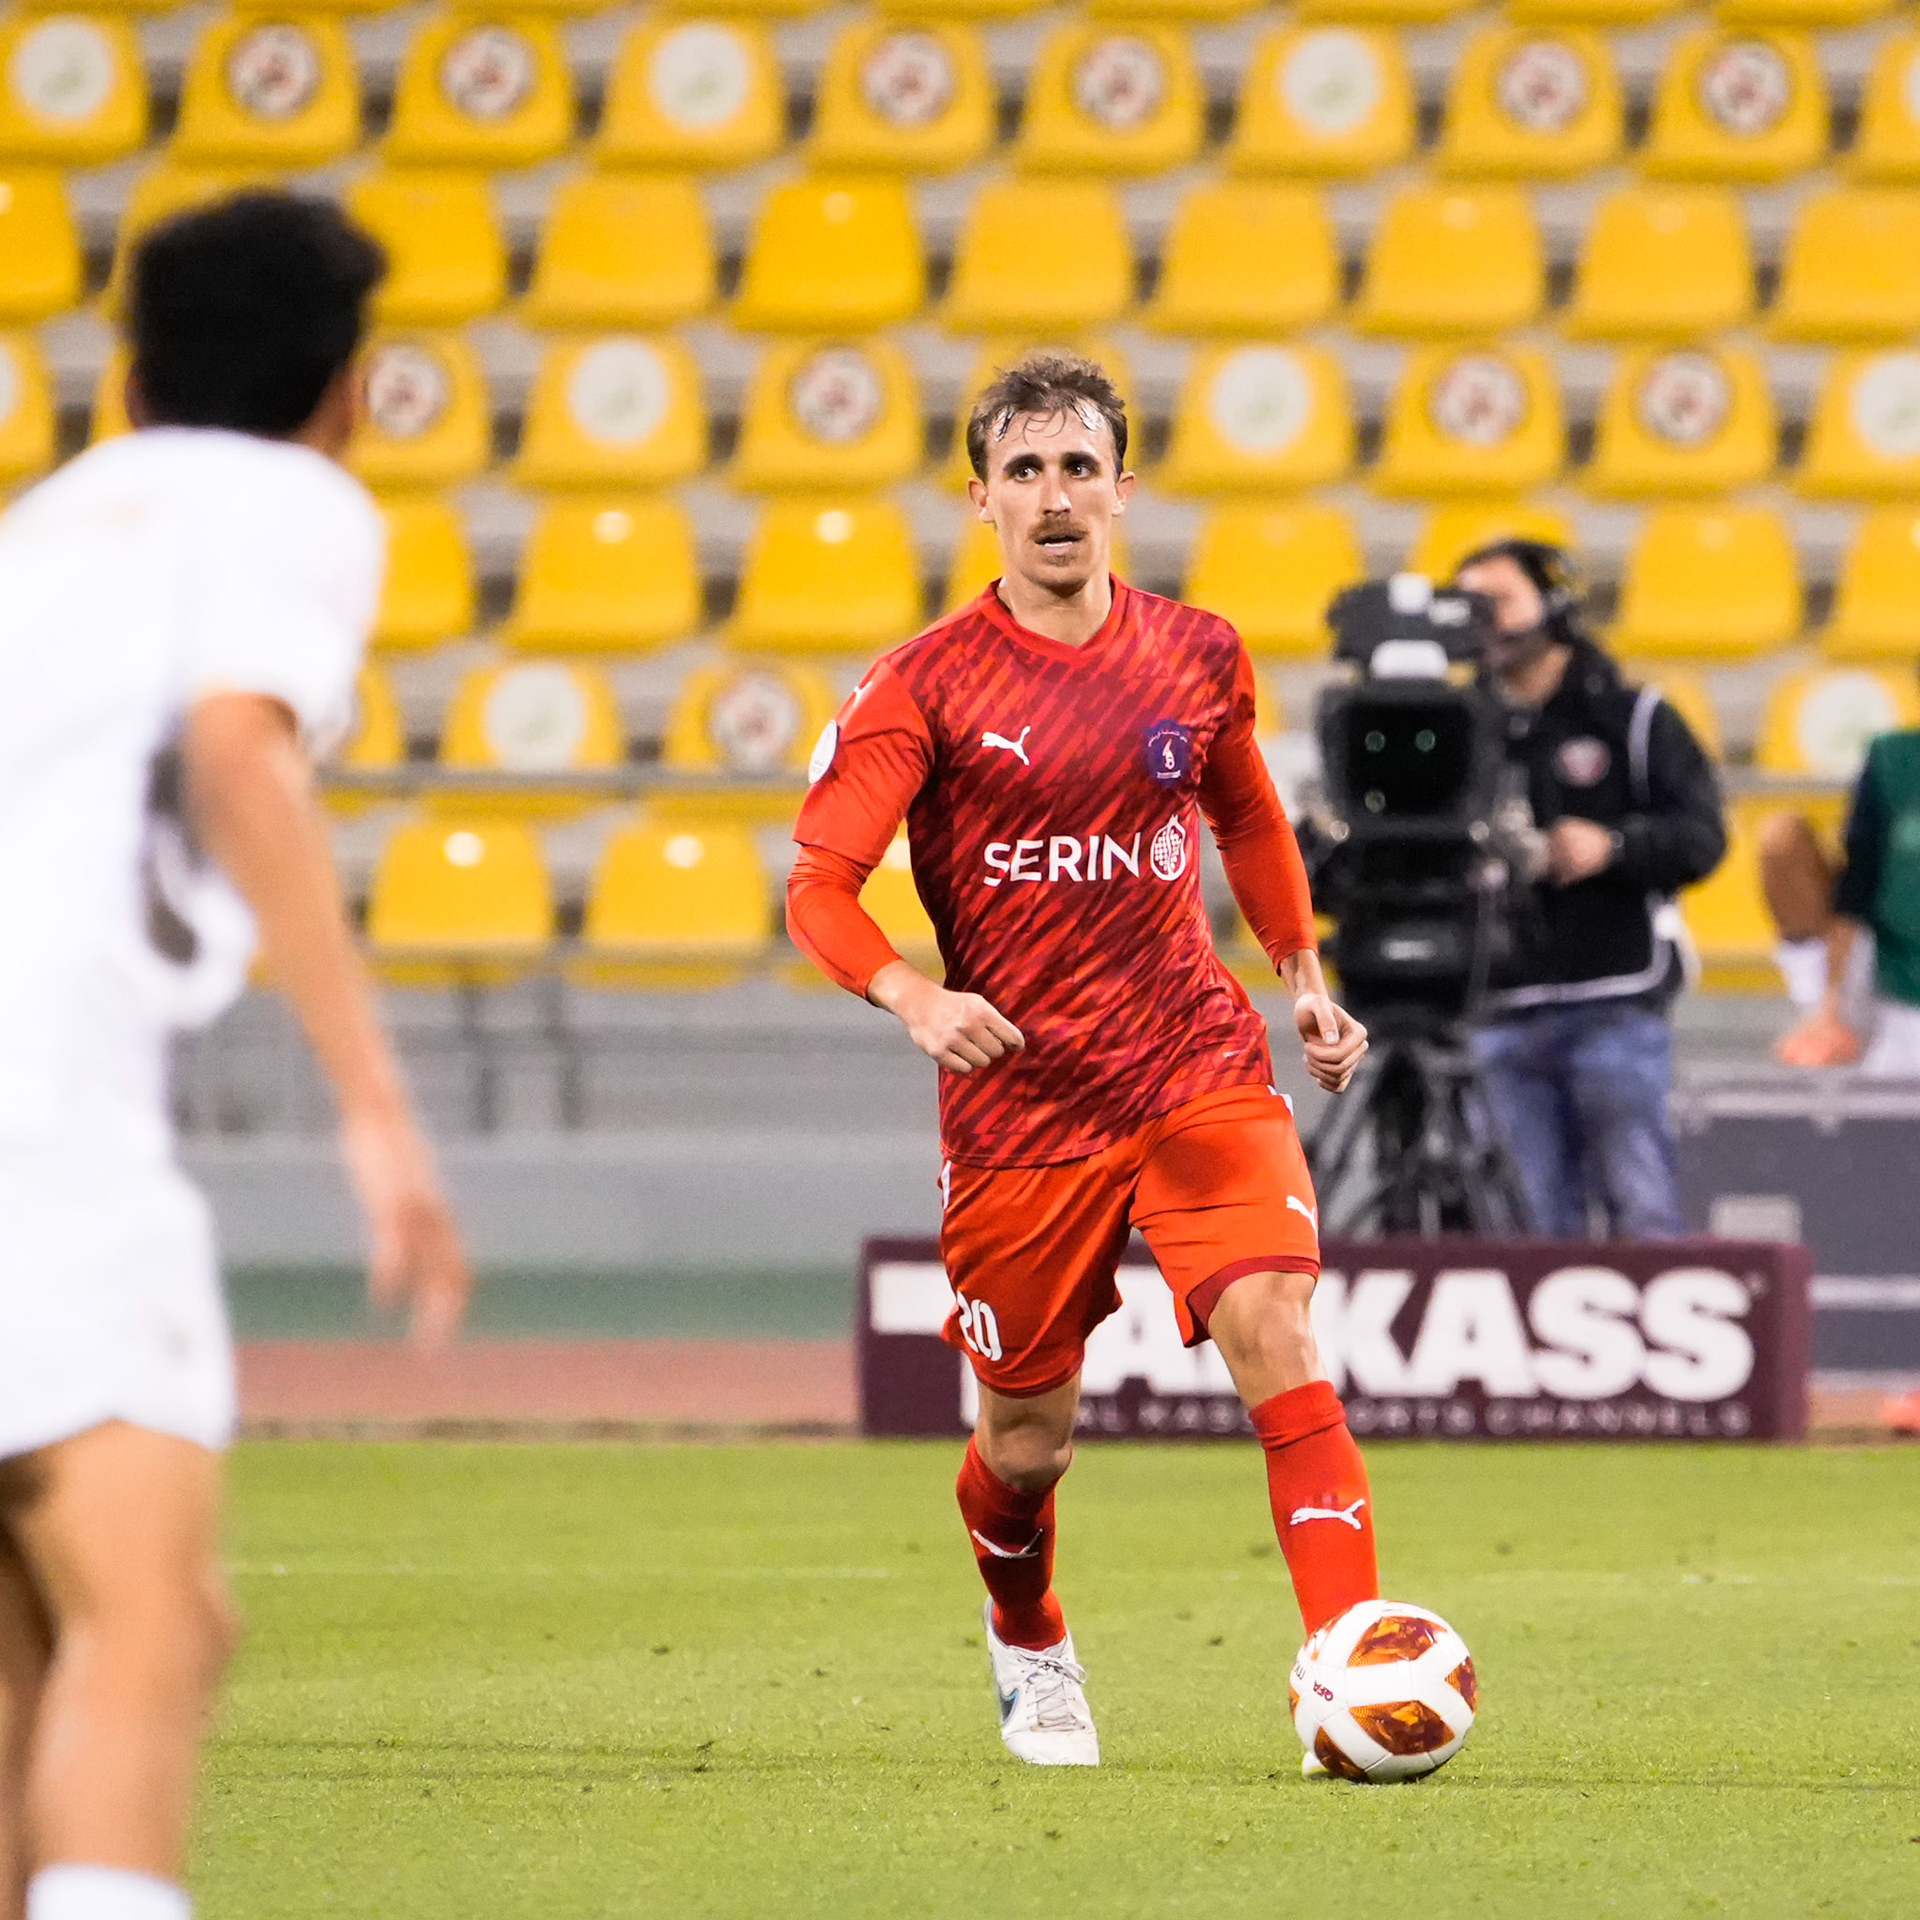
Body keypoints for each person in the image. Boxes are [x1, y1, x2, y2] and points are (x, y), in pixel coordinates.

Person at [786, 352, 1375, 1771]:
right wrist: (915, 999)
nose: (1054, 497)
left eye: (1078, 468)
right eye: (1025, 470)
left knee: (1278, 1329)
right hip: (1021, 1108)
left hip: (1190, 1060)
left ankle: (1349, 1674)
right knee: (1027, 1442)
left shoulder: (1199, 652)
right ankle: (1030, 1632)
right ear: (980, 497)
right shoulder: (922, 686)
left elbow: (1249, 818)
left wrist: (1301, 976)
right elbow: (818, 885)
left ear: (1124, 486)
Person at [0, 194, 470, 1920]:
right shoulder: (284, 502)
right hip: (43, 1135)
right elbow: (236, 749)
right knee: (152, 1628)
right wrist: (377, 1113)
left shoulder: (48, 527)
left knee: (37, 1648)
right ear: (350, 392)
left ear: (128, 377)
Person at [1450, 540, 1726, 1239]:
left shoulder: (1635, 717)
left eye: (1499, 601)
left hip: (1613, 1001)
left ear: (1555, 603)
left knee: (1642, 1208)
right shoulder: (1455, 729)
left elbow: (1702, 837)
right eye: (1467, 605)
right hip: (1500, 1007)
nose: (1483, 621)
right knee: (1524, 1227)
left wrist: (1614, 846)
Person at [1765, 721, 1920, 1076]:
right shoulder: (1893, 761)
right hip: (1897, 989)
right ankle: (1821, 1007)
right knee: (1782, 838)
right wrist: (1828, 1009)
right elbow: (1857, 884)